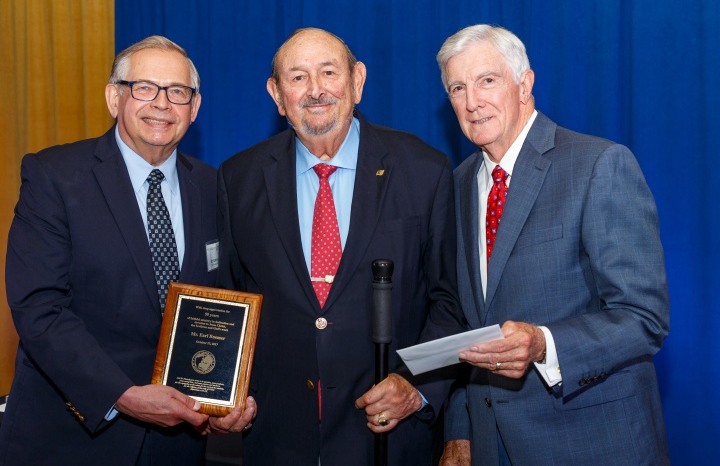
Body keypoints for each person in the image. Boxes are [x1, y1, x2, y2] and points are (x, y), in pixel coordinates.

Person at [0, 35, 254, 466]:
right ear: (114, 97)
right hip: (72, 436)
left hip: (179, 443)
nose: (162, 104)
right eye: (144, 87)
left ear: (195, 108)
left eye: (177, 92)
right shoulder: (54, 176)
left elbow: (226, 297)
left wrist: (233, 393)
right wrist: (121, 394)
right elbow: (39, 307)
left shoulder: (213, 187)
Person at [217, 27, 466, 465]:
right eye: (297, 78)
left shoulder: (424, 169)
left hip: (388, 439)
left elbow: (451, 303)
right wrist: (222, 393)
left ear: (357, 81)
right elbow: (228, 300)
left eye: (328, 72)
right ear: (277, 95)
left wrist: (418, 387)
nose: (315, 90)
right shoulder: (238, 178)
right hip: (276, 438)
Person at [437, 24, 670, 465]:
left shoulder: (599, 164)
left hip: (591, 443)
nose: (472, 102)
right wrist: (461, 431)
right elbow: (468, 324)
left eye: (487, 80)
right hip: (490, 447)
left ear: (524, 84)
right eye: (457, 87)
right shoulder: (457, 184)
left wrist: (543, 343)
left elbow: (645, 318)